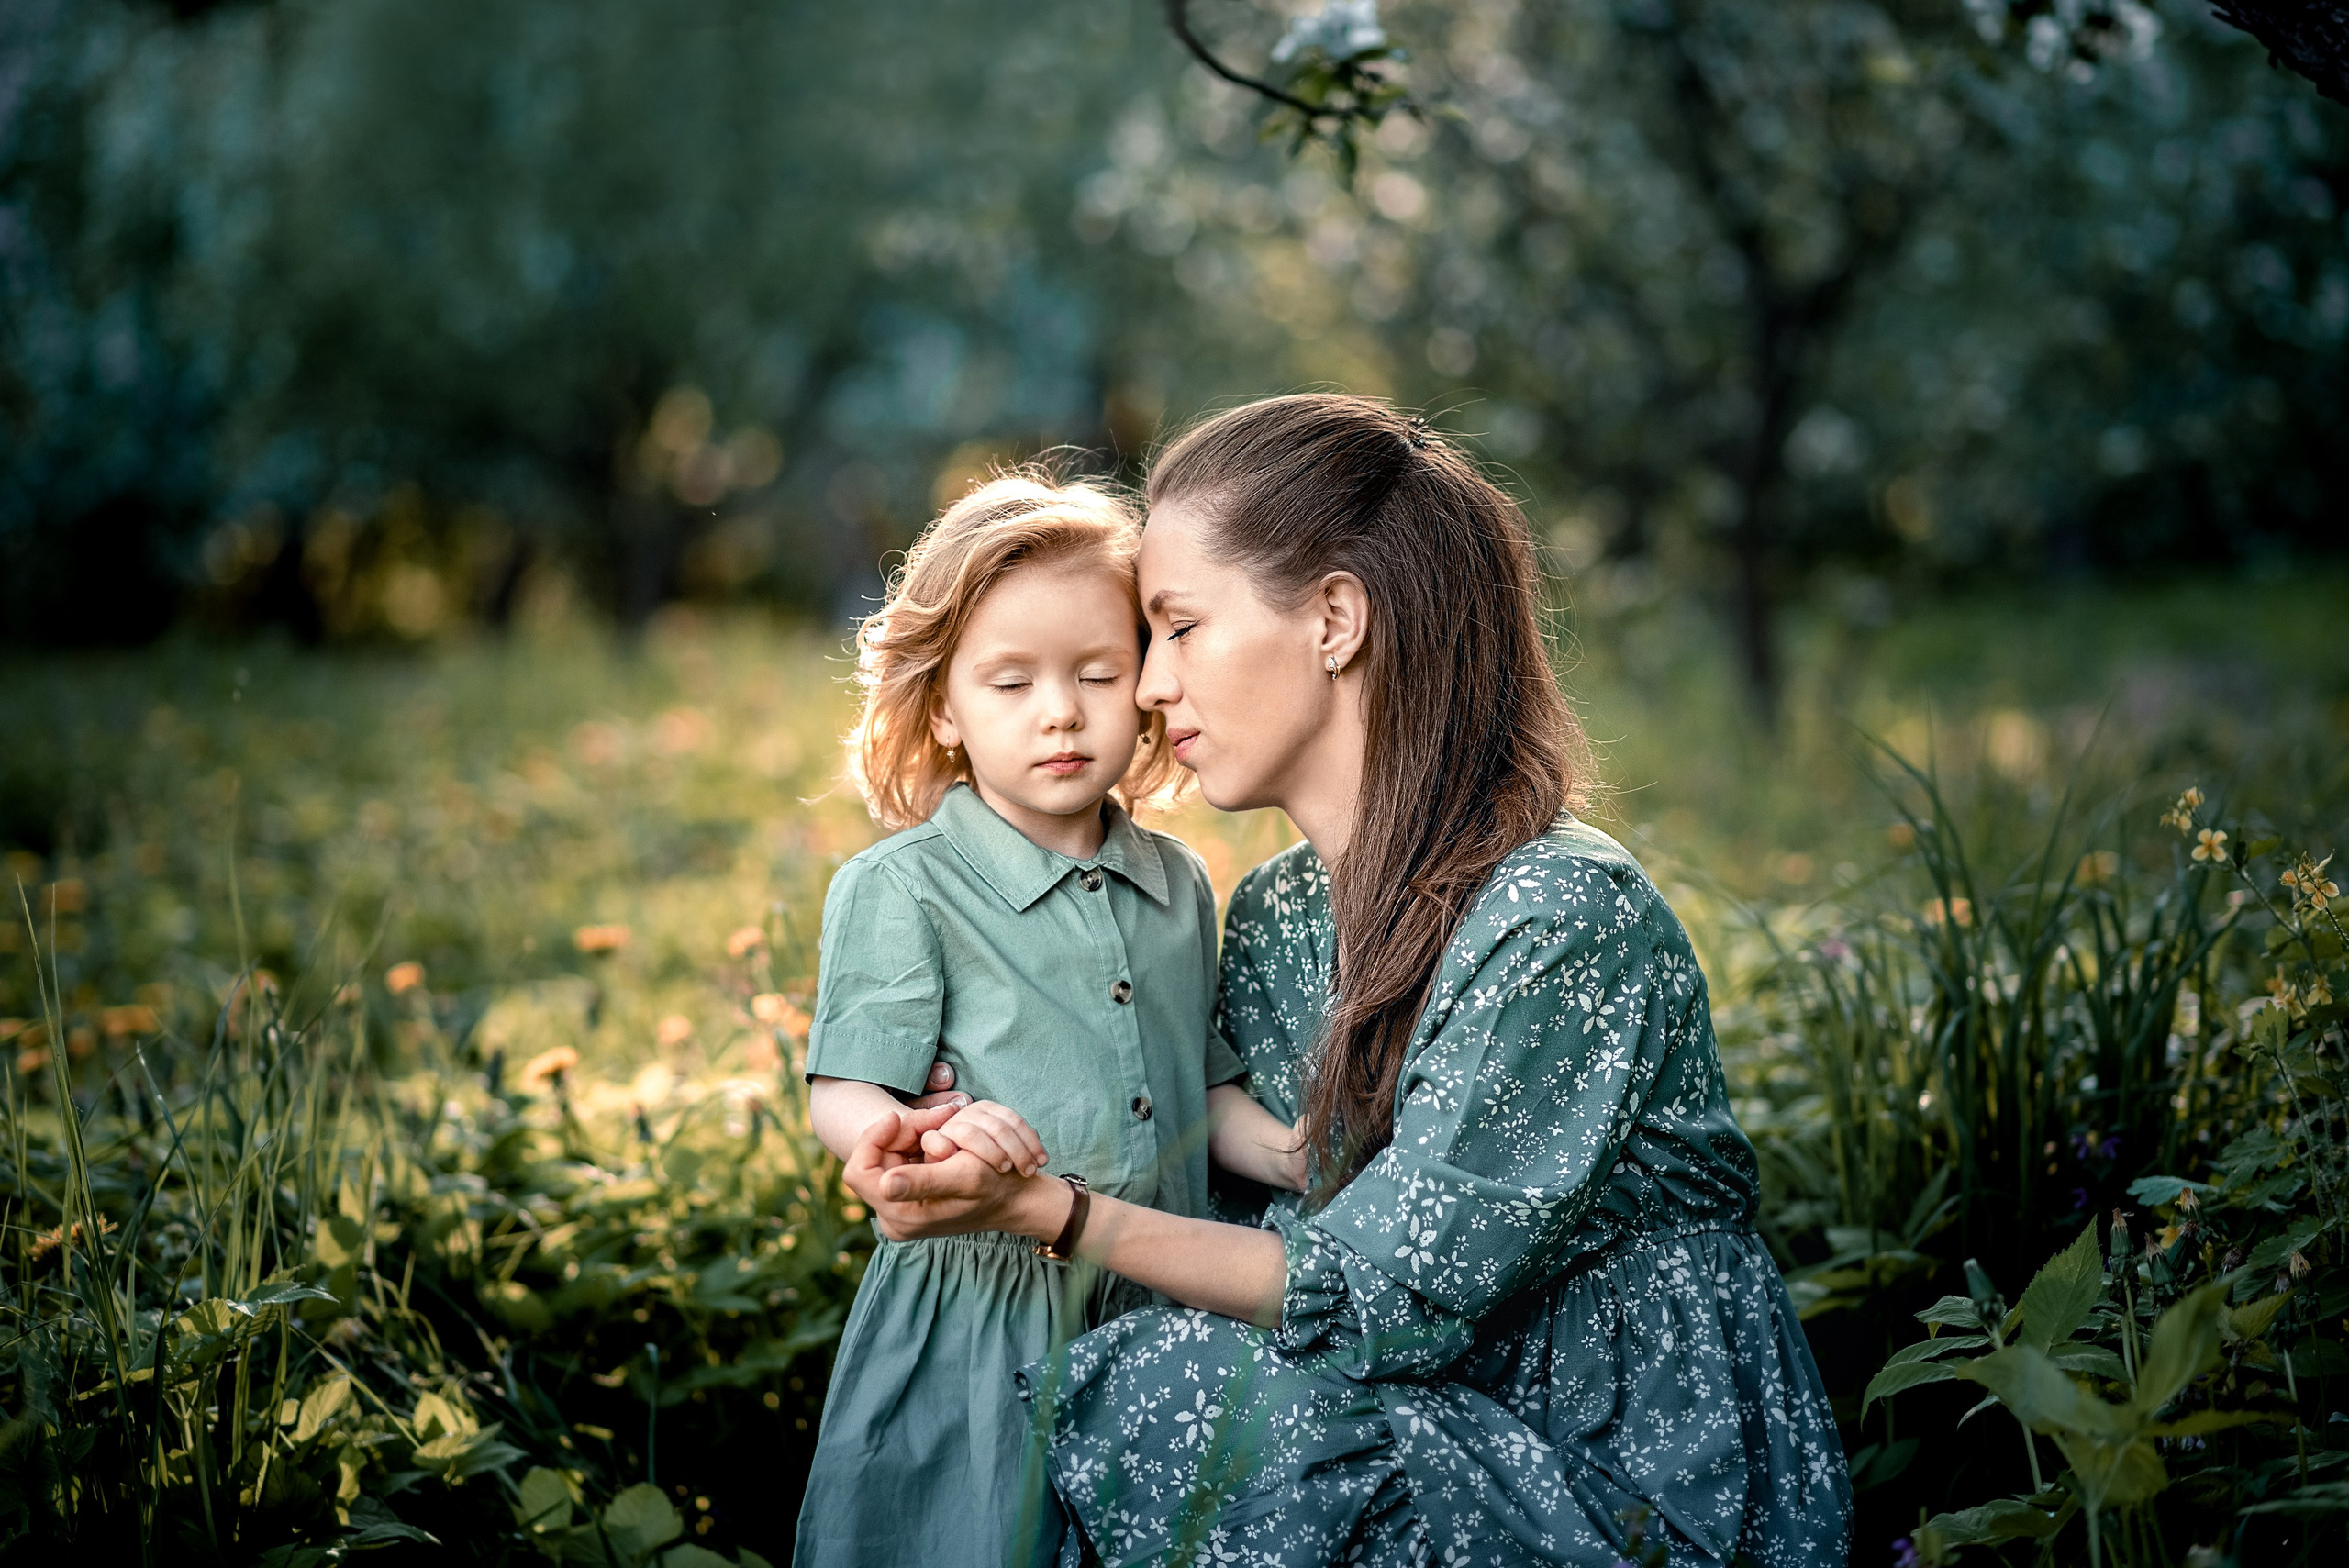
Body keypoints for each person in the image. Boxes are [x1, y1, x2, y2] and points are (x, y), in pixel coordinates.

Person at [844, 398, 1852, 1567]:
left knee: (1168, 1389)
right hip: (1403, 1422)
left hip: (1623, 1484)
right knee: (1107, 1395)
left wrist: (1051, 1210)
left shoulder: (1558, 918)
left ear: (1332, 618)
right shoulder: (1275, 915)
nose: (1151, 692)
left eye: (1176, 628)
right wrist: (974, 1111)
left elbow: (1372, 1296)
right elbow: (1222, 1209)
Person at [791, 473, 1305, 1568]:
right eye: (1010, 681)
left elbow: (1196, 1086)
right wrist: (909, 1140)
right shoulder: (904, 887)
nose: (1060, 710)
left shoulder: (1177, 883)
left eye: (1097, 672)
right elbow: (847, 1084)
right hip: (987, 1314)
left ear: (1149, 682)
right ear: (943, 706)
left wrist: (1302, 1153)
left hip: (1169, 1290)